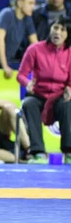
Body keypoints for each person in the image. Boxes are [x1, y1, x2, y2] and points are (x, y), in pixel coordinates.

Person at [18, 16, 71, 164]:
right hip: (38, 95)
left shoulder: (70, 53)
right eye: (55, 28)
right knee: (28, 103)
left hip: (59, 97)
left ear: (67, 34)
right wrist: (27, 83)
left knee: (68, 104)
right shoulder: (34, 49)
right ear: (50, 29)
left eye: (62, 30)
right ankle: (38, 153)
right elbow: (21, 75)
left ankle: (69, 152)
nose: (57, 32)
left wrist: (69, 89)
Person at [0, 0, 38, 77]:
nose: (33, 7)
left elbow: (35, 43)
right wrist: (4, 66)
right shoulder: (6, 14)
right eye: (30, 3)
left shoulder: (27, 18)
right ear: (20, 3)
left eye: (34, 4)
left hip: (8, 61)